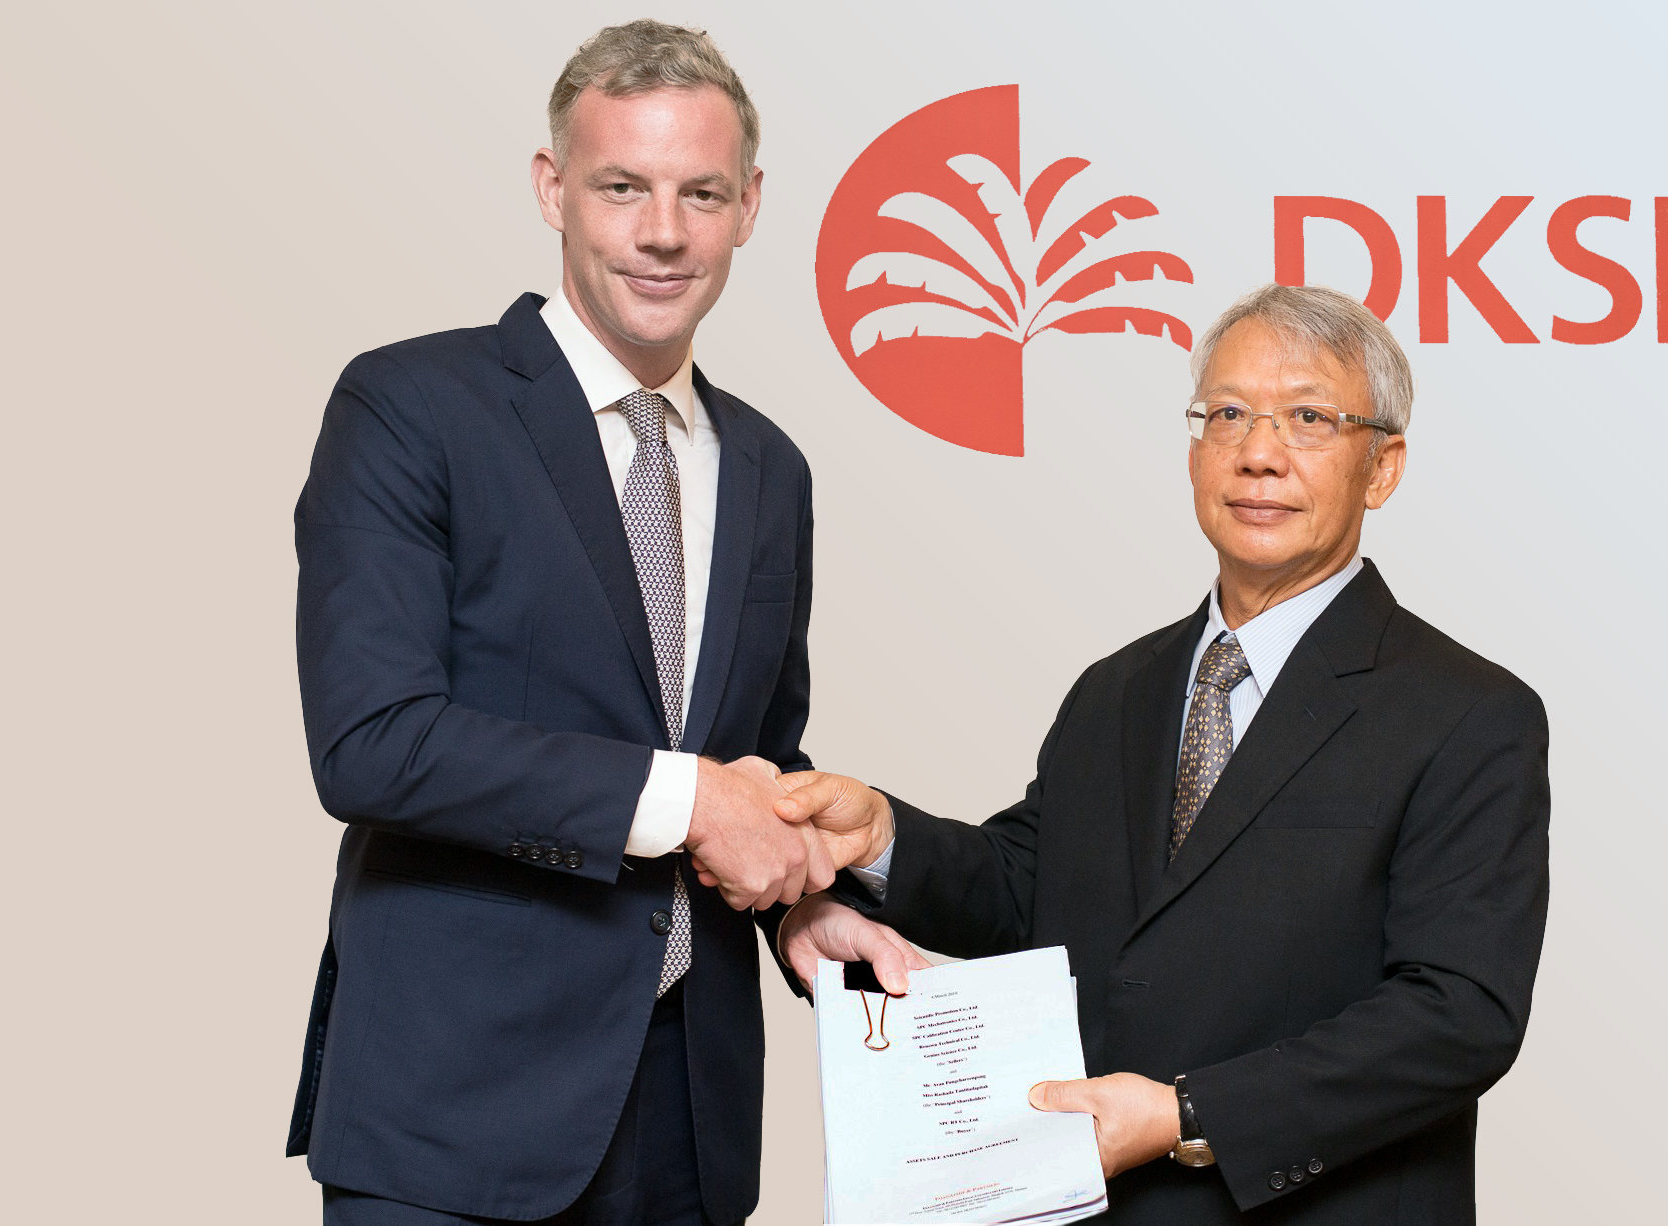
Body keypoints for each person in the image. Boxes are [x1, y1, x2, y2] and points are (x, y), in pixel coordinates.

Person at [778, 284, 1551, 1224]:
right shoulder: (1117, 689)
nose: (1258, 452)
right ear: (1193, 450)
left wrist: (1190, 1114)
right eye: (1227, 415)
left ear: (1381, 467)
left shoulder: (1468, 713)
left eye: (1308, 418)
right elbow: (1029, 888)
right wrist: (882, 838)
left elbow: (1457, 1015)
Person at [287, 20, 854, 1225]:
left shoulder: (771, 468)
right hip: (454, 1115)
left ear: (750, 206)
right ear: (553, 189)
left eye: (703, 193)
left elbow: (752, 758)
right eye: (622, 187)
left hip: (689, 1119)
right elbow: (373, 741)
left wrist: (804, 895)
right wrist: (692, 802)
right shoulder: (409, 406)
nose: (664, 231)